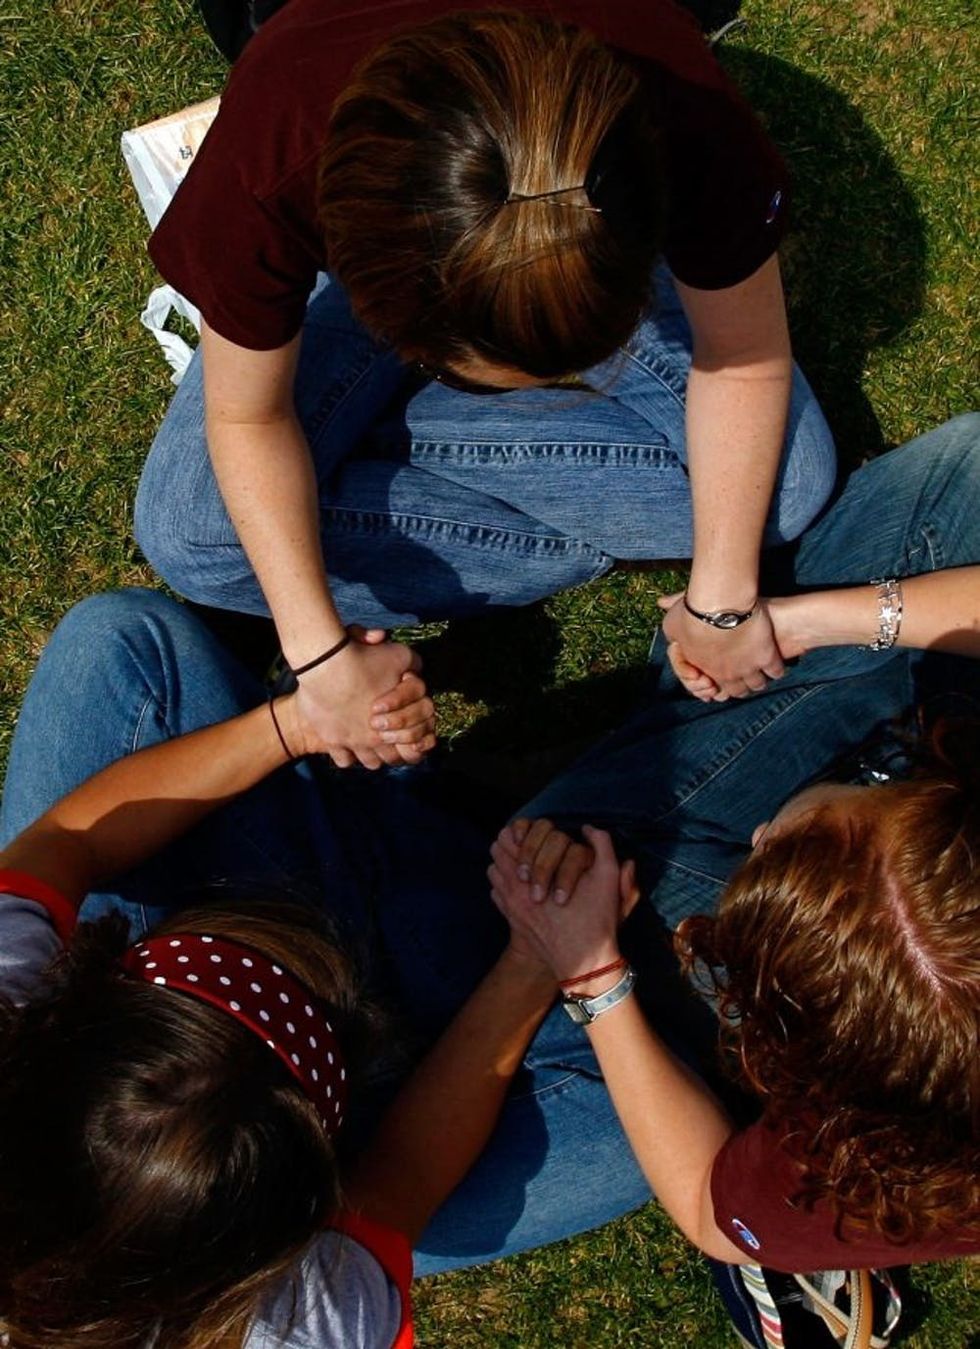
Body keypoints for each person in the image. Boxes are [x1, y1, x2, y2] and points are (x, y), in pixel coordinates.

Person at [1, 414, 976, 1344]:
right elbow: (401, 1181)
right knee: (620, 1117)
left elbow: (66, 841)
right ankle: (451, 849)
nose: (768, 827)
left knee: (121, 649)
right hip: (348, 1147)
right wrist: (554, 958)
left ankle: (408, 830)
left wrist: (294, 724)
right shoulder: (303, 1323)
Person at [134, 0, 837, 771]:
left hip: (590, 214)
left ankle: (344, 450)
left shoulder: (678, 112)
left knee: (788, 483)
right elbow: (245, 419)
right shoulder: (271, 156)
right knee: (191, 531)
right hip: (380, 230)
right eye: (456, 376)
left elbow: (744, 356)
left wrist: (723, 600)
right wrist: (318, 653)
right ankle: (353, 455)